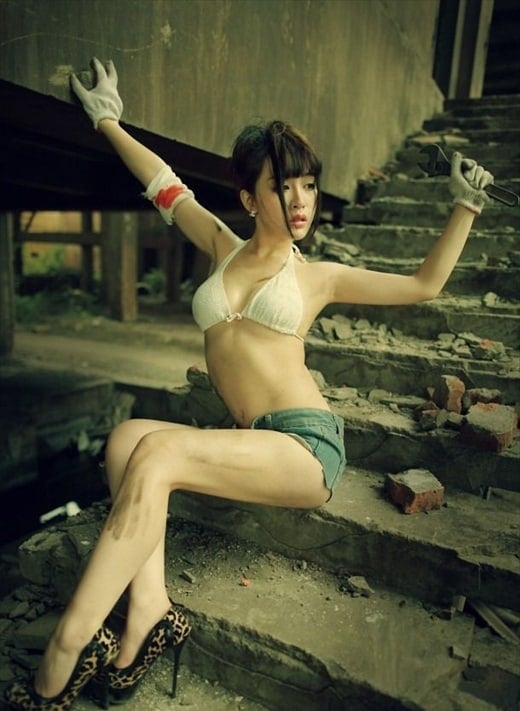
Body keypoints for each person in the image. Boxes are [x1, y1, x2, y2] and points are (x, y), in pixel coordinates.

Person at [5, 57, 493, 711]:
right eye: (283, 186)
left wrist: (465, 205)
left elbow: (423, 285)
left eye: (309, 186)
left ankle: (66, 648)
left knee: (158, 452)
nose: (301, 200)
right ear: (249, 198)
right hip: (253, 436)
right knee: (124, 441)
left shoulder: (316, 277)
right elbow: (165, 184)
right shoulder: (222, 246)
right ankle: (149, 610)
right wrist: (107, 121)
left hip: (306, 447)